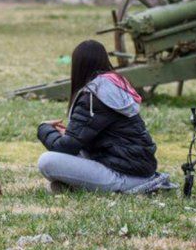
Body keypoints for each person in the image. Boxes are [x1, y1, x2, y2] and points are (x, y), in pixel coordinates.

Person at [37, 40, 172, 194]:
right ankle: (75, 186)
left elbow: (66, 147)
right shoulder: (111, 86)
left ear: (78, 66)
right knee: (70, 155)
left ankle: (107, 187)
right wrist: (68, 134)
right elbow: (99, 137)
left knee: (47, 161)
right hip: (135, 168)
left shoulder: (94, 94)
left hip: (123, 176)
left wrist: (44, 128)